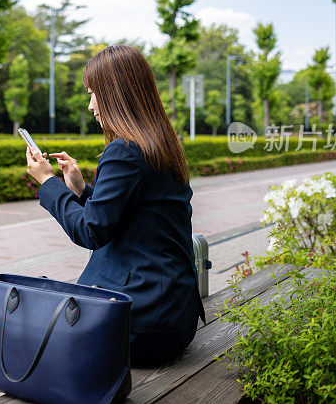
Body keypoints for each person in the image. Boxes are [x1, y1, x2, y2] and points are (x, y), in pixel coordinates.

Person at [26, 44, 204, 368]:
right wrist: (79, 188)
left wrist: (47, 182)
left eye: (94, 93)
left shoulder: (124, 150)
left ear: (116, 93)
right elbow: (130, 213)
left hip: (143, 326)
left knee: (33, 336)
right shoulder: (161, 143)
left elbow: (91, 231)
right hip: (173, 316)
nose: (91, 104)